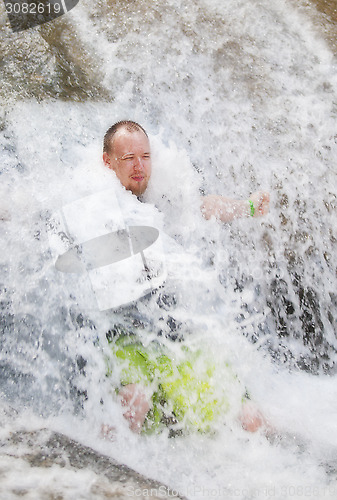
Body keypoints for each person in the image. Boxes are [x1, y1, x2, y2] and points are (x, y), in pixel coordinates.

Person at [102, 120, 270, 435]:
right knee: (133, 403)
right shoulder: (95, 202)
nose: (140, 166)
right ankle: (104, 475)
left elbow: (203, 207)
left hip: (173, 331)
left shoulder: (162, 195)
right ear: (107, 161)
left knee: (250, 417)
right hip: (123, 334)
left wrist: (247, 207)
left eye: (145, 157)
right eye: (128, 159)